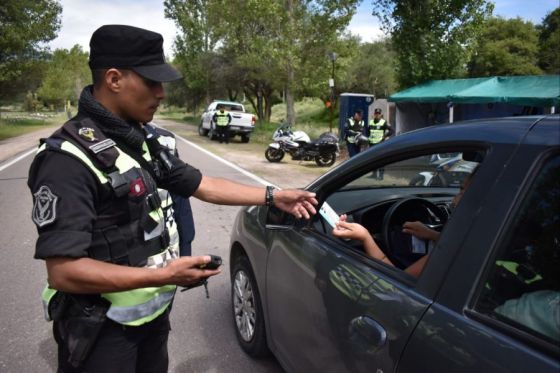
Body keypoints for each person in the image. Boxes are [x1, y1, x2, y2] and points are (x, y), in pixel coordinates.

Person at [27, 25, 317, 373]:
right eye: (151, 82)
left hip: (152, 322)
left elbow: (200, 183)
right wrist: (164, 276)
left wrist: (273, 195)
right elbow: (64, 272)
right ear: (114, 79)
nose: (162, 93)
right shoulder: (66, 160)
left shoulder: (139, 139)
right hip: (99, 334)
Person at [332, 165, 477, 278]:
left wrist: (365, 238)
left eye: (462, 192)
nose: (454, 199)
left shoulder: (452, 252)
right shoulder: (478, 243)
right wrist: (433, 235)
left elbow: (395, 281)